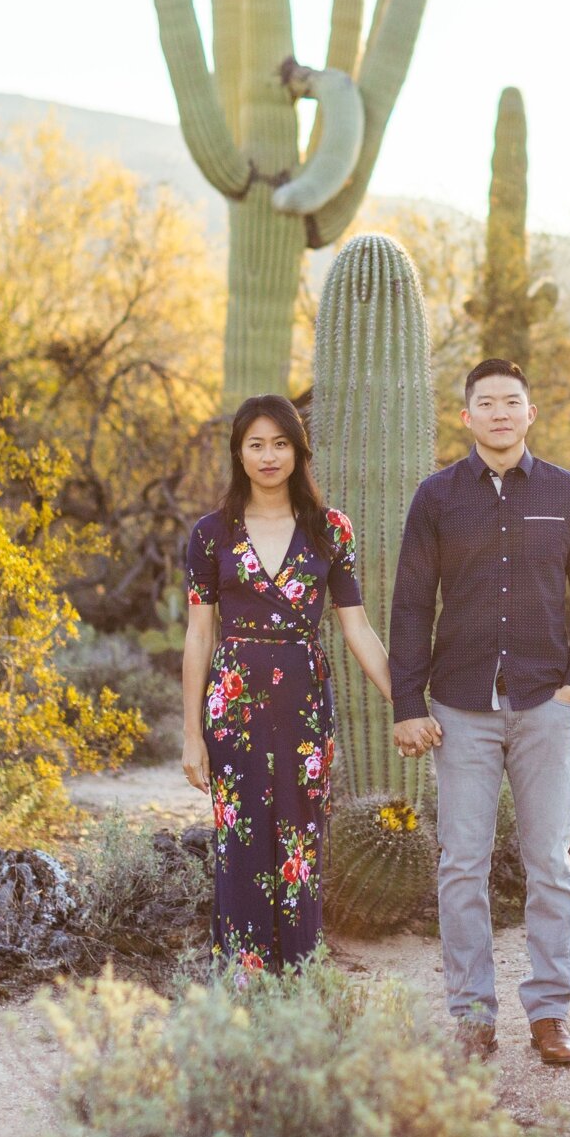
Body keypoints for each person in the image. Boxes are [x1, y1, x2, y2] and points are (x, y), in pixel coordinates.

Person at [388, 359, 570, 1066]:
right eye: (485, 403)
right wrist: (406, 701)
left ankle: (549, 1014)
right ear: (467, 417)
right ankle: (473, 1017)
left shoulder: (568, 495)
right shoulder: (437, 498)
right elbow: (413, 603)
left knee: (549, 861)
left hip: (546, 701)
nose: (500, 413)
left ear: (530, 413)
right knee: (462, 866)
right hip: (463, 707)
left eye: (512, 401)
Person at [181, 393, 396, 979]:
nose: (269, 456)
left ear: (299, 452)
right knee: (240, 843)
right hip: (234, 707)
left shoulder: (331, 530)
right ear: (239, 454)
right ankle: (244, 989)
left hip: (304, 705)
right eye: (256, 444)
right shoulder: (209, 534)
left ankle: (300, 983)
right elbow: (199, 638)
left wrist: (408, 703)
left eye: (280, 443)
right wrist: (192, 736)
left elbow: (358, 627)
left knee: (300, 844)